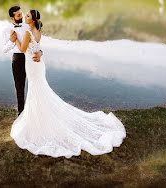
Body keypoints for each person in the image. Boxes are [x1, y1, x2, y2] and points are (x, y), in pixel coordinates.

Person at [9, 9, 126, 157]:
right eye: (24, 15)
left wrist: (15, 40)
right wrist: (39, 52)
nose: (25, 17)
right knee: (39, 90)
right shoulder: (38, 30)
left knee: (36, 91)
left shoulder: (27, 32)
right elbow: (36, 46)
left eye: (27, 16)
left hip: (32, 64)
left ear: (32, 20)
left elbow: (22, 48)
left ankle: (36, 121)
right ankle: (40, 117)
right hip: (38, 65)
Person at [1, 5, 42, 114]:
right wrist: (11, 40)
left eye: (22, 13)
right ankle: (21, 113)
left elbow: (35, 43)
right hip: (18, 59)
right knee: (19, 87)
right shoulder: (6, 29)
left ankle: (35, 111)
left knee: (34, 85)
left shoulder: (27, 26)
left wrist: (41, 52)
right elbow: (4, 49)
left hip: (31, 58)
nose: (22, 16)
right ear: (12, 17)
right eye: (19, 15)